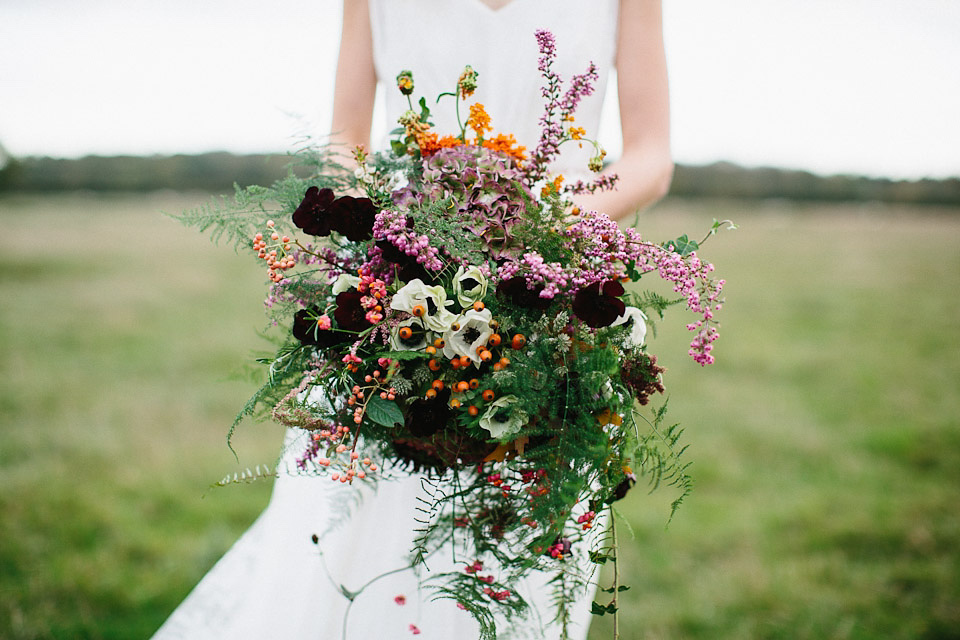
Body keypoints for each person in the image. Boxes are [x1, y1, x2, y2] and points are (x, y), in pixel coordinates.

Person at [152, 1, 671, 638]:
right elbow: (345, 144)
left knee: (520, 571)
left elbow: (651, 156)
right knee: (343, 546)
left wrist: (533, 226)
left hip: (550, 309)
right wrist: (397, 229)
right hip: (404, 292)